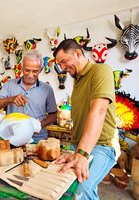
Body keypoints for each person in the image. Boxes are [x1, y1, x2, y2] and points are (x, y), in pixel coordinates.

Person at [53, 39, 120, 199]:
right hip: (78, 145)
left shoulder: (101, 70)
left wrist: (82, 154)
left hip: (103, 146)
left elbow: (99, 110)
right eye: (60, 64)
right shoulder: (77, 81)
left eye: (64, 61)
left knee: (82, 188)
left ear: (77, 53)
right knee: (61, 183)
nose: (62, 68)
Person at [0, 50, 57, 143]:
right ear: (21, 68)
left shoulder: (47, 89)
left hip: (37, 140)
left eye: (35, 71)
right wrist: (11, 99)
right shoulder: (9, 84)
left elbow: (53, 115)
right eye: (27, 70)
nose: (30, 75)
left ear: (41, 70)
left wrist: (39, 125)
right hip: (12, 139)